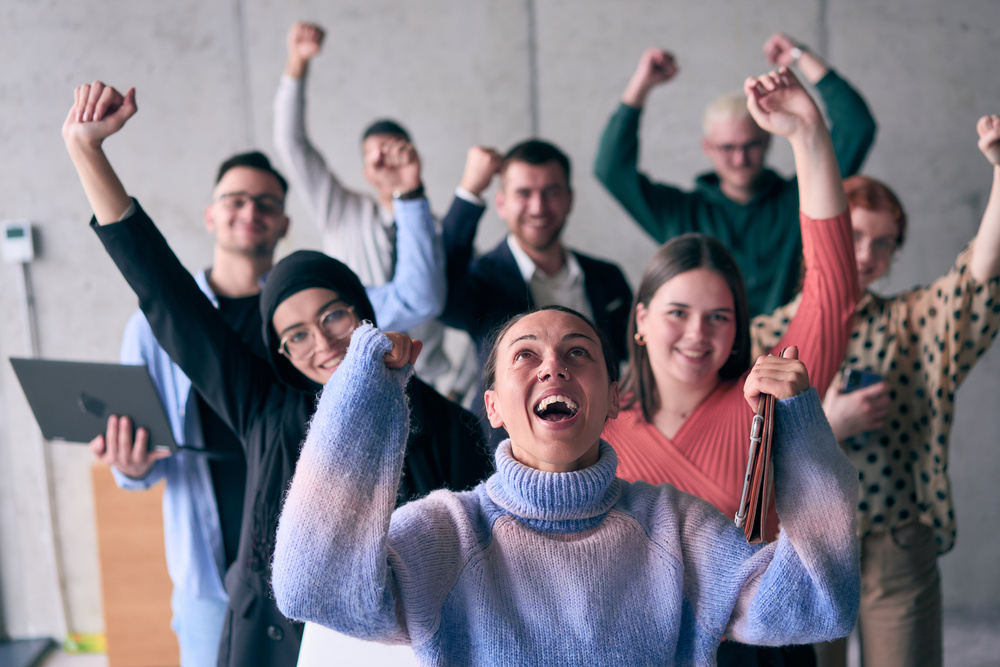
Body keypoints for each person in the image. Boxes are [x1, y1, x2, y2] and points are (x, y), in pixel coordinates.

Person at [63, 81, 493, 667]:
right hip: (273, 641)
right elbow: (160, 286)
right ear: (282, 354)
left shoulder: (436, 416)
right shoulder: (264, 406)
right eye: (295, 336)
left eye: (334, 316)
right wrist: (88, 152)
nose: (322, 343)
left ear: (365, 314)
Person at [271, 306, 861, 665]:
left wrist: (801, 430)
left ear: (610, 402)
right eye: (525, 355)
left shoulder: (674, 527)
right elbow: (314, 589)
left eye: (578, 353)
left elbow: (815, 606)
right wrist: (363, 397)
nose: (553, 366)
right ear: (494, 407)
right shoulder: (448, 530)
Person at [601, 66, 859, 665]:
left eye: (720, 316)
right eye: (678, 313)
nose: (698, 334)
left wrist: (809, 135)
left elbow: (832, 291)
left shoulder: (765, 396)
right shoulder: (599, 417)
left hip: (755, 652)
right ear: (639, 318)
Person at [749, 115, 1000, 667]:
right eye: (855, 236)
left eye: (883, 243)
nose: (865, 255)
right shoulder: (767, 336)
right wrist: (828, 427)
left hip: (894, 535)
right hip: (803, 544)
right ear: (824, 235)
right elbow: (740, 460)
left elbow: (975, 285)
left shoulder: (910, 321)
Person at [87, 151, 287, 666]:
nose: (249, 212)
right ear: (210, 214)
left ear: (283, 222)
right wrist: (130, 466)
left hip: (299, 565)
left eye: (265, 203)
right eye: (235, 200)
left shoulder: (297, 318)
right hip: (207, 578)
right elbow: (139, 464)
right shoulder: (155, 324)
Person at [594, 32, 876, 316]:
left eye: (750, 145)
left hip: (794, 350)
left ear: (768, 140)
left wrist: (800, 57)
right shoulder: (681, 213)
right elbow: (611, 170)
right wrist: (641, 84)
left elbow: (856, 127)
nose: (740, 159)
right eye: (727, 147)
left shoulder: (802, 197)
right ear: (708, 147)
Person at [274, 21, 455, 384]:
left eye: (394, 151)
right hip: (351, 375)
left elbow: (458, 310)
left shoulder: (435, 229)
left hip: (429, 385)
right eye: (375, 156)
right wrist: (297, 64)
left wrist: (461, 388)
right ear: (364, 170)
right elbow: (292, 147)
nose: (385, 162)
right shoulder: (342, 210)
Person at [441, 140, 633, 434]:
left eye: (551, 192)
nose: (538, 207)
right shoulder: (482, 279)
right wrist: (469, 191)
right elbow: (442, 298)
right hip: (504, 454)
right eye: (524, 193)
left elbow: (626, 358)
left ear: (569, 199)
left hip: (603, 446)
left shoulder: (606, 277)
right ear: (501, 203)